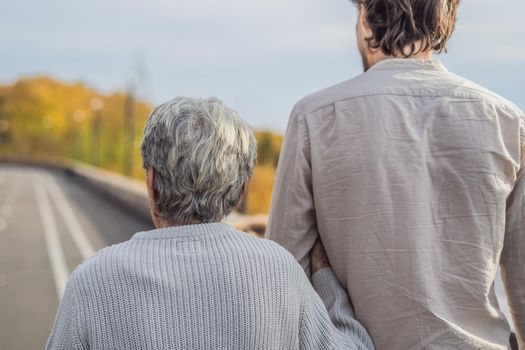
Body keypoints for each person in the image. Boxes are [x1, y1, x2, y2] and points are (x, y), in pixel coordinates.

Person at [266, 0, 524, 349]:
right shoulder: (507, 122)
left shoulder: (315, 117)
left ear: (365, 21)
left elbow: (282, 278)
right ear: (447, 22)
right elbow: (522, 287)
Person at [45, 97, 374, 350]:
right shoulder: (278, 271)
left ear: (151, 182)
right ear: (240, 190)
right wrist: (326, 279)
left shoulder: (93, 281)